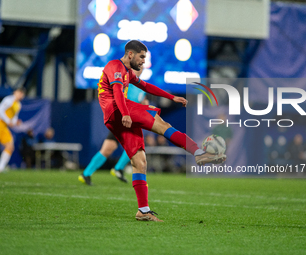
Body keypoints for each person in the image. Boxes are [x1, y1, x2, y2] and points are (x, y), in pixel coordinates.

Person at [96, 40, 226, 222]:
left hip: (113, 116)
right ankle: (198, 152)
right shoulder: (115, 66)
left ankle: (143, 211)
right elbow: (117, 91)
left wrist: (171, 96)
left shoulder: (127, 73)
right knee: (163, 125)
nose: (143, 61)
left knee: (139, 162)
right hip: (118, 110)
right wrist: (125, 113)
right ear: (131, 54)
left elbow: (147, 86)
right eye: (141, 57)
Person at [78, 67, 147, 185]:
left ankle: (86, 174)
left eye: (142, 68)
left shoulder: (140, 86)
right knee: (136, 146)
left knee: (107, 149)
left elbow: (143, 101)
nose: (140, 70)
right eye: (138, 68)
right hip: (122, 119)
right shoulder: (126, 81)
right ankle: (119, 168)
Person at [0, 88, 25, 173]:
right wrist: (9, 121)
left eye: (22, 93)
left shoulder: (18, 105)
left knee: (10, 146)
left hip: (4, 126)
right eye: (19, 92)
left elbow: (13, 118)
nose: (20, 95)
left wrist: (16, 122)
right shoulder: (8, 100)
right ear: (15, 92)